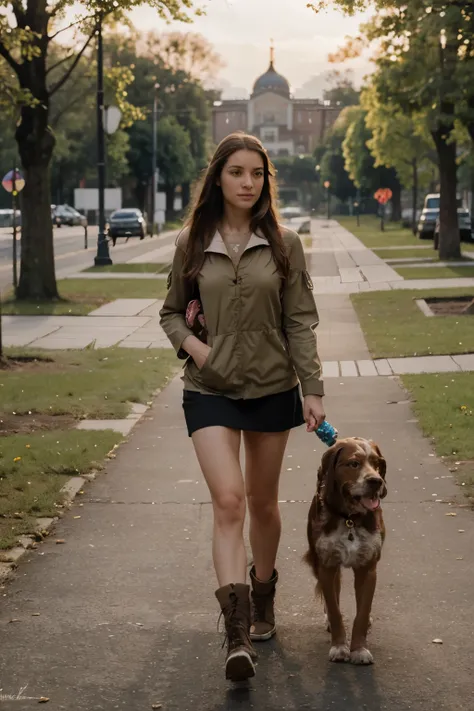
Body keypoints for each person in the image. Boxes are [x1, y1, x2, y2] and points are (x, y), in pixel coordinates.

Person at [159, 132, 325, 682]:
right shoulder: (192, 239)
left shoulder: (284, 243)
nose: (248, 182)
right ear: (218, 177)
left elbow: (299, 318)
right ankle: (236, 634)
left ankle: (263, 592)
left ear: (265, 180)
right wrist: (198, 349)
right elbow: (170, 314)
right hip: (209, 389)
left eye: (257, 173)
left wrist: (313, 388)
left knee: (263, 503)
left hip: (274, 387)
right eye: (237, 172)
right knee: (229, 502)